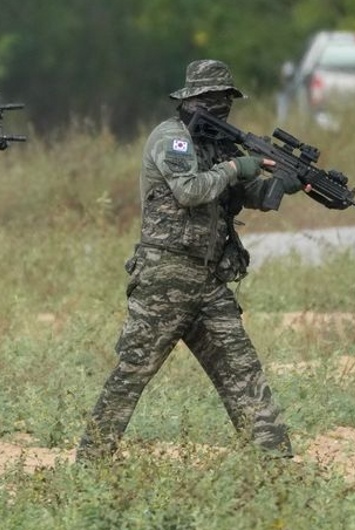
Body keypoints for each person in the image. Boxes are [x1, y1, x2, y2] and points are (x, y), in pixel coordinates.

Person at [77, 59, 299, 462]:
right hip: (166, 278)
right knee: (132, 374)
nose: (222, 107)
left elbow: (255, 196)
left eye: (226, 100)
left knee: (243, 372)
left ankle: (276, 467)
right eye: (213, 100)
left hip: (209, 280)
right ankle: (90, 463)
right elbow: (190, 190)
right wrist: (236, 166)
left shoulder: (220, 146)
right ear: (193, 100)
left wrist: (283, 181)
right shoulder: (172, 138)